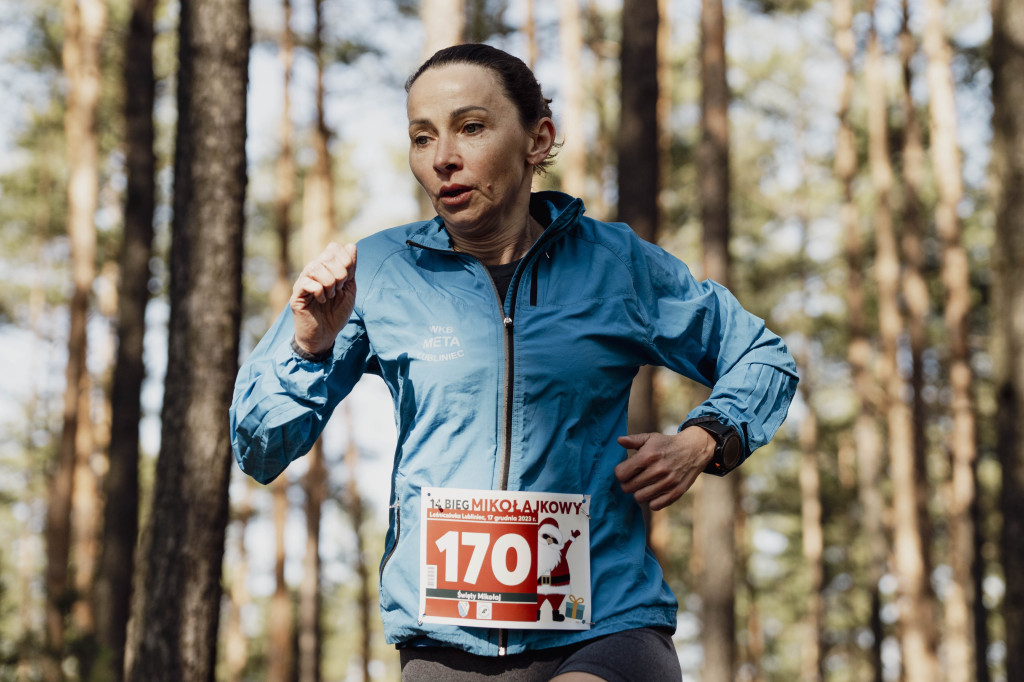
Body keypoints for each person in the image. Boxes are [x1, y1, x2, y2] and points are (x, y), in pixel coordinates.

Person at [231, 43, 798, 682]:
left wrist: (704, 440)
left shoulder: (616, 265)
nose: (442, 156)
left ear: (538, 139)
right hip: (447, 637)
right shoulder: (379, 275)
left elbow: (762, 355)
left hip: (606, 621)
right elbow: (260, 448)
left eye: (470, 127)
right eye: (422, 137)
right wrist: (307, 347)